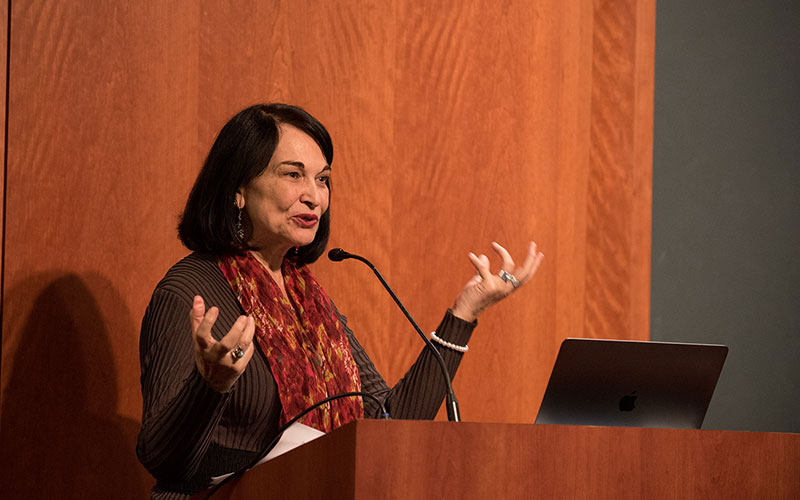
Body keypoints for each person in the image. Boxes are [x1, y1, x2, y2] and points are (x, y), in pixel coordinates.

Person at [136, 103, 543, 498]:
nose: (314, 196)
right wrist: (211, 386)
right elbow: (163, 460)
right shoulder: (189, 292)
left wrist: (464, 313)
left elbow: (388, 424)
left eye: (323, 179)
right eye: (293, 175)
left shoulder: (309, 301)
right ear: (238, 190)